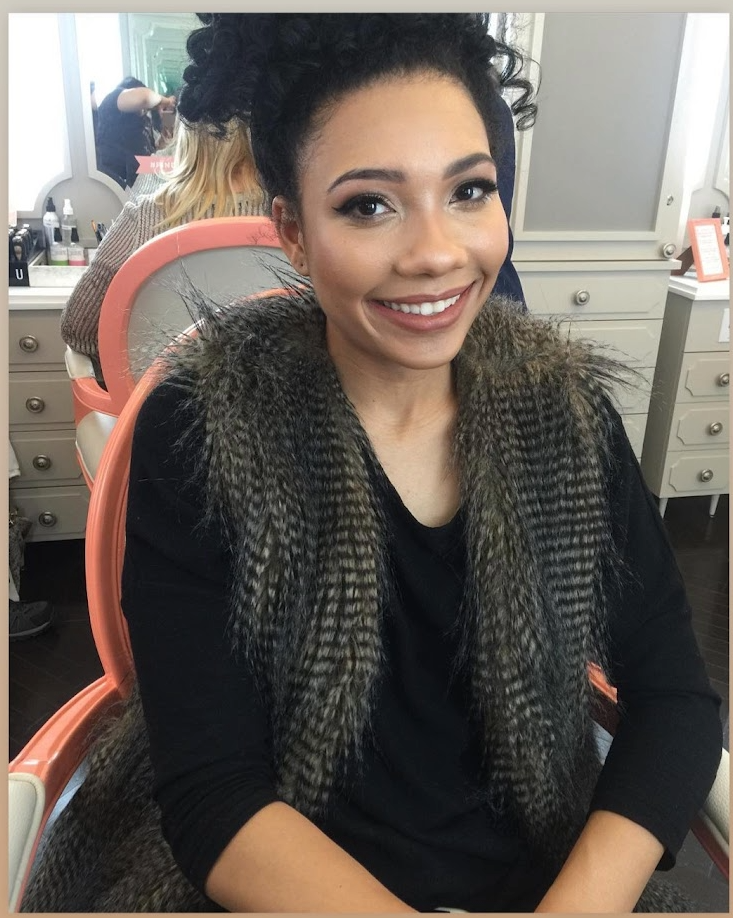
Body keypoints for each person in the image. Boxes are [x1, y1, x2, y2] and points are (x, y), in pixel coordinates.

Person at [21, 14, 721, 914]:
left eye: (469, 191)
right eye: (367, 204)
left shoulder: (566, 416)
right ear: (293, 231)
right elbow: (214, 793)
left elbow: (672, 697)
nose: (436, 252)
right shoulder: (205, 432)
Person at [60, 117, 267, 385]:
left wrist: (133, 363)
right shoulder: (292, 220)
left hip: (156, 414)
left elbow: (76, 329)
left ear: (186, 138)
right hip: (270, 416)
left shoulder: (143, 218)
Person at [95, 76, 176, 190]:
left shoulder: (143, 122)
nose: (144, 110)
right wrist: (166, 101)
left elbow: (146, 162)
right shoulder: (111, 102)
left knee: (178, 166)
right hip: (117, 185)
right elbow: (144, 98)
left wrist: (165, 136)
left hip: (140, 182)